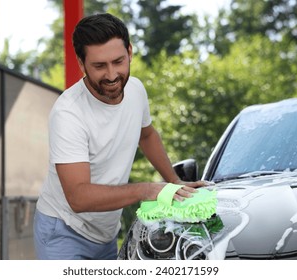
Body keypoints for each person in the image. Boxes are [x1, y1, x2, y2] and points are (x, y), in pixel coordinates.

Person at [33, 13, 207, 260]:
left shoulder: (135, 90)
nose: (112, 75)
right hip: (64, 232)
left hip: (106, 235)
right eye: (99, 66)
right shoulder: (68, 113)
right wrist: (147, 189)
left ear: (130, 52)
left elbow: (146, 136)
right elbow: (78, 197)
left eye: (118, 61)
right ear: (81, 64)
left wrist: (174, 180)